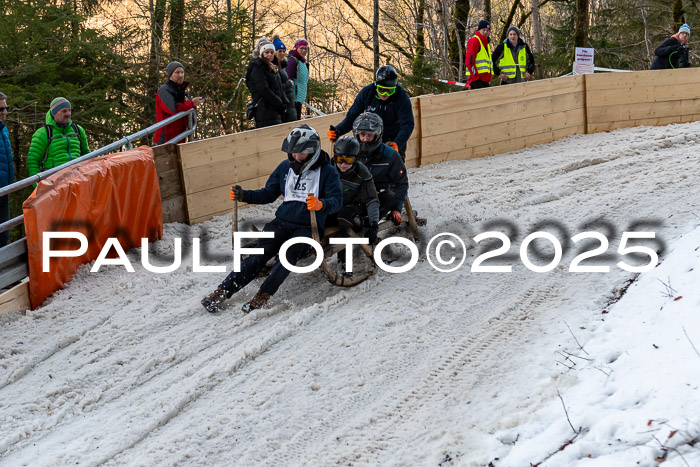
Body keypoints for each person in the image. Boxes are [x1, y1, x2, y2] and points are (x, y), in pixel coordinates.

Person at [201, 124, 342, 313]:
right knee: (259, 254)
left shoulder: (328, 171)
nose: (296, 157)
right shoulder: (285, 167)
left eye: (301, 153)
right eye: (293, 153)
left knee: (288, 254)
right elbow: (268, 193)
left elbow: (337, 200)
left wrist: (321, 204)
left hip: (309, 226)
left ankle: (262, 296)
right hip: (282, 222)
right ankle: (221, 292)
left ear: (313, 150)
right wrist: (245, 195)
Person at [328, 65, 415, 160]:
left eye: (390, 91)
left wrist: (398, 143)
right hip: (370, 137)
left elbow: (407, 124)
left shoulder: (401, 96)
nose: (385, 94)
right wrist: (338, 130)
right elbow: (352, 116)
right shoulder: (367, 93)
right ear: (376, 86)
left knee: (394, 166)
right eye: (381, 90)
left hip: (392, 137)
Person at [329, 136, 380, 276]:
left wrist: (374, 224)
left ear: (356, 159)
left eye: (349, 160)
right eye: (340, 159)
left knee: (344, 218)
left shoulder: (361, 172)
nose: (343, 164)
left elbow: (371, 199)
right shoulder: (327, 168)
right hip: (332, 205)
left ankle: (344, 261)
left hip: (353, 207)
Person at [352, 112, 408, 225]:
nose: (365, 139)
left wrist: (396, 208)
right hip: (354, 195)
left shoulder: (390, 155)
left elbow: (402, 182)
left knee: (389, 197)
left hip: (378, 196)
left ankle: (368, 224)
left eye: (369, 135)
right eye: (362, 134)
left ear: (377, 135)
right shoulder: (350, 151)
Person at [27, 97, 90, 177]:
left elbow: (87, 155)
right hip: (55, 181)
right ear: (54, 113)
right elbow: (32, 161)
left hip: (78, 179)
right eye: (64, 111)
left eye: (69, 110)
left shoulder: (78, 130)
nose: (68, 114)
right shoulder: (43, 133)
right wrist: (38, 184)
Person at [154, 61, 204, 145]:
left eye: (182, 72)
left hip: (179, 137)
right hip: (166, 139)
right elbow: (174, 109)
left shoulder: (180, 91)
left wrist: (192, 104)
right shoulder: (164, 90)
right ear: (170, 75)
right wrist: (192, 103)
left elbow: (189, 111)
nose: (180, 75)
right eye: (177, 72)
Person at [246, 38, 289, 128]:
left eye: (271, 52)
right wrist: (278, 102)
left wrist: (284, 102)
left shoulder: (273, 68)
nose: (269, 55)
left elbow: (279, 87)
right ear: (262, 53)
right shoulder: (257, 67)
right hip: (264, 110)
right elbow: (263, 89)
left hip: (275, 111)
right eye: (267, 52)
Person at [273, 34, 298, 122]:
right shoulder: (273, 67)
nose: (282, 53)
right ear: (274, 52)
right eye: (280, 51)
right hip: (282, 107)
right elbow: (275, 87)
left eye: (284, 51)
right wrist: (289, 84)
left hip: (289, 104)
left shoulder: (282, 67)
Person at [285, 39, 310, 120]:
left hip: (299, 98)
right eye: (301, 48)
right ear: (296, 48)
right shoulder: (292, 61)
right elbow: (288, 79)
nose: (303, 50)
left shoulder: (302, 61)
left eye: (305, 48)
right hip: (293, 99)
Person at [0, 92, 13, 247]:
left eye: (5, 108)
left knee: (4, 235)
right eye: (1, 109)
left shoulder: (3, 129)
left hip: (5, 189)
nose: (5, 112)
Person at [465, 20, 493, 89]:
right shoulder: (474, 41)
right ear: (479, 30)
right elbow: (469, 61)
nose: (486, 32)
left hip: (485, 80)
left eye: (487, 30)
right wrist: (475, 76)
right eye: (484, 30)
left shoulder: (486, 43)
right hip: (476, 80)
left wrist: (489, 78)